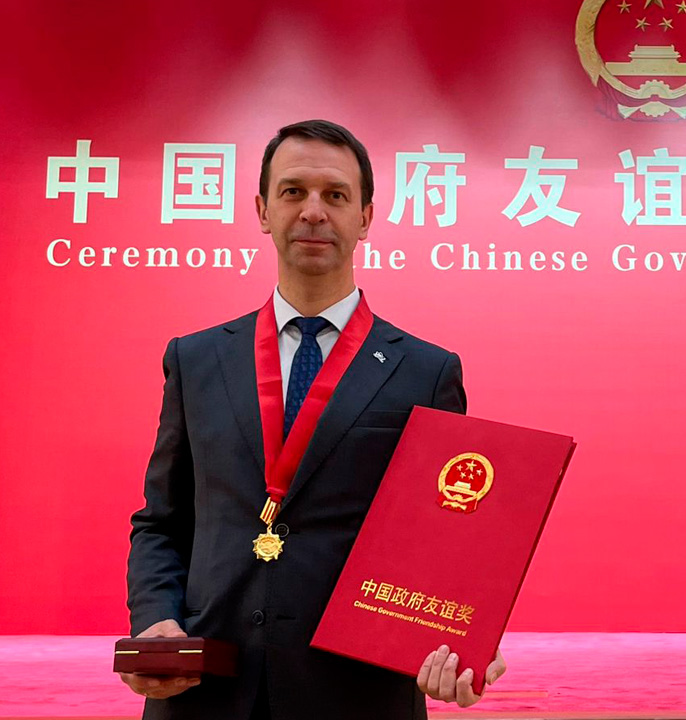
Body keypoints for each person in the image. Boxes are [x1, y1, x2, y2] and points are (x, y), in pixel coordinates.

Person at [121, 119, 505, 719]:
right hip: (205, 688)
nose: (313, 212)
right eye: (293, 191)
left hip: (358, 691)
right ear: (263, 210)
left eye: (336, 195)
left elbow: (444, 539)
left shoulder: (426, 372)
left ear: (365, 217)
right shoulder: (195, 360)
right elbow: (161, 521)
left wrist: (461, 640)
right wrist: (156, 622)